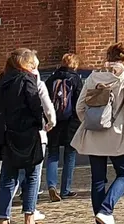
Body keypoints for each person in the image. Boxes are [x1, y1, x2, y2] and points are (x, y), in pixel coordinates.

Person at [72, 43, 124, 224]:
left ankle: (100, 216)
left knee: (98, 179)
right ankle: (106, 210)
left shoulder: (93, 77)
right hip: (117, 133)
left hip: (94, 133)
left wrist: (89, 121)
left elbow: (79, 106)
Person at [0, 50, 53, 224]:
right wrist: (40, 123)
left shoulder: (2, 81)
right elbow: (34, 104)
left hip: (7, 134)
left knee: (8, 177)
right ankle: (29, 216)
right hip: (27, 133)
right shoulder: (28, 79)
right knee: (33, 175)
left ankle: (3, 217)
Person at [42, 54, 84, 202]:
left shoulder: (52, 78)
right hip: (71, 122)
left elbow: (44, 99)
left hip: (54, 122)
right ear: (74, 65)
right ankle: (65, 190)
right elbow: (80, 102)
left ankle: (52, 185)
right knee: (70, 155)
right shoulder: (76, 79)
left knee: (52, 154)